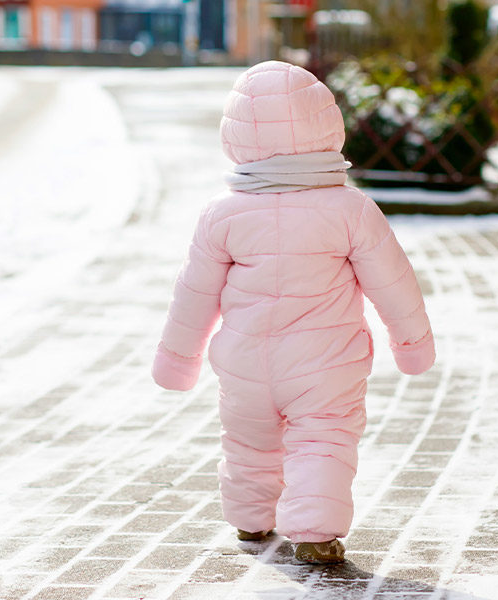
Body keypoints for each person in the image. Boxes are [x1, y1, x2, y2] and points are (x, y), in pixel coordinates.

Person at [151, 61, 435, 564]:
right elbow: (394, 283)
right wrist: (412, 345)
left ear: (237, 134)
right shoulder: (350, 210)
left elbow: (194, 293)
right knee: (324, 440)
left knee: (249, 443)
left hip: (245, 365)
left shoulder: (223, 214)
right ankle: (316, 532)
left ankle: (250, 519)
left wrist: (177, 359)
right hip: (324, 364)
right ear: (325, 127)